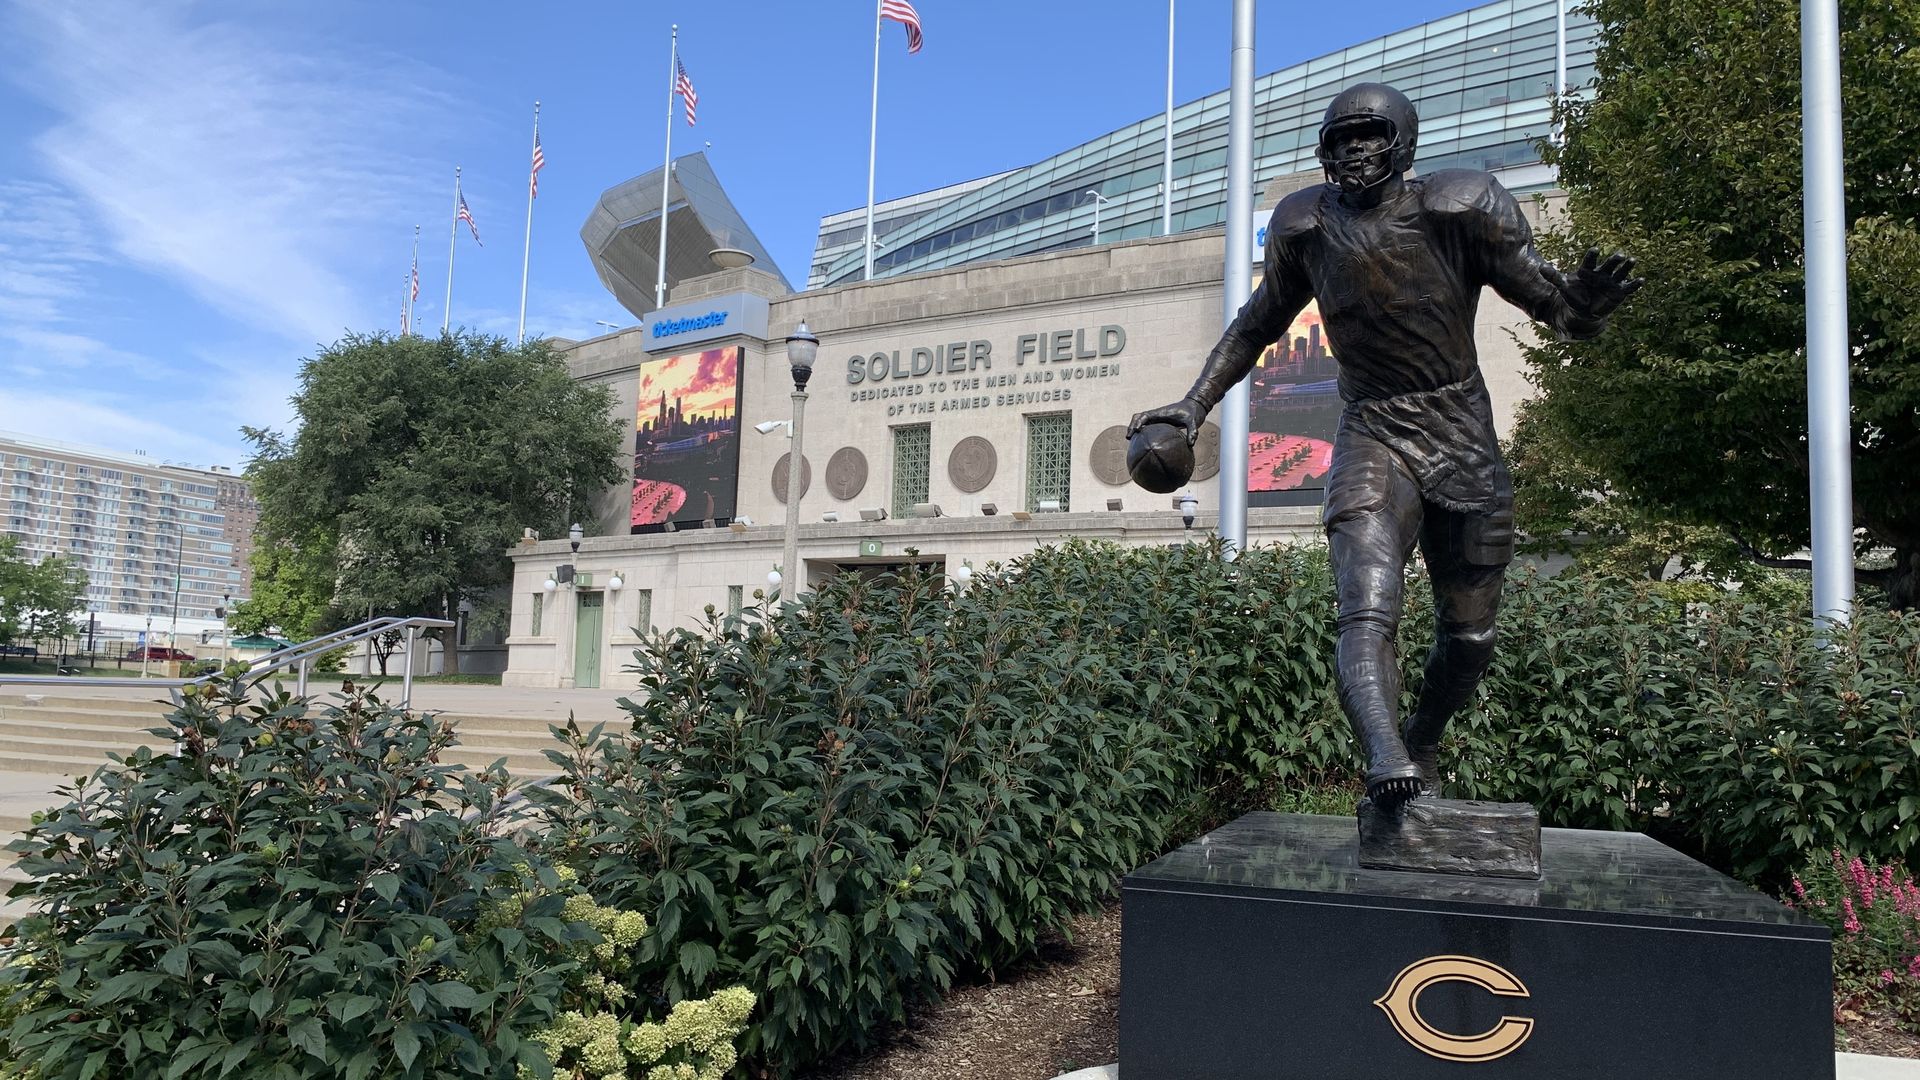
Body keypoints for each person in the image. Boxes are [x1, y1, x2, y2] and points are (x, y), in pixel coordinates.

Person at [1130, 82, 1641, 807]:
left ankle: (1422, 740)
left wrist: (1588, 309)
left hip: (1459, 430)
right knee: (1366, 606)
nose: (1356, 152)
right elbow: (1255, 325)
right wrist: (1192, 404)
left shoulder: (1460, 205)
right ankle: (1384, 753)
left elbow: (1555, 308)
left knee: (1470, 640)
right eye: (1341, 140)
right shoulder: (1304, 225)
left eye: (1369, 136)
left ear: (1403, 140)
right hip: (1373, 427)